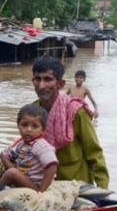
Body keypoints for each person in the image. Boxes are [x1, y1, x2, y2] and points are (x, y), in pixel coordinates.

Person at [31, 57, 108, 188]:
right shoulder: (32, 112)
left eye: (48, 79)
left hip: (76, 184)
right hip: (44, 183)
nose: (41, 85)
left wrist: (103, 189)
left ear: (60, 84)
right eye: (37, 79)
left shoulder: (77, 112)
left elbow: (94, 153)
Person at [0, 104, 58, 192]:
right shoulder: (20, 143)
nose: (29, 129)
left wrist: (41, 191)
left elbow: (52, 166)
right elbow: (4, 154)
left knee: (11, 173)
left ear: (43, 130)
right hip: (24, 179)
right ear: (18, 126)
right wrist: (11, 165)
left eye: (35, 126)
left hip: (36, 185)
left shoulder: (41, 145)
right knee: (10, 170)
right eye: (24, 125)